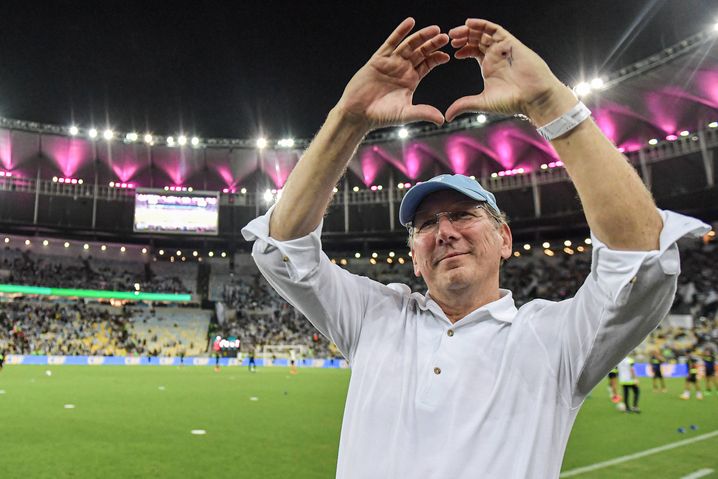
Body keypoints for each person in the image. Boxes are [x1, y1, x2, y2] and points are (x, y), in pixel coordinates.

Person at [241, 17, 709, 478]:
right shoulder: (374, 318)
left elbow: (641, 262)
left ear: (505, 239)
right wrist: (349, 119)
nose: (444, 231)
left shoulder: (554, 339)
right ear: (415, 260)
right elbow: (283, 248)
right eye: (426, 224)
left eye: (463, 215)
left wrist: (550, 103)